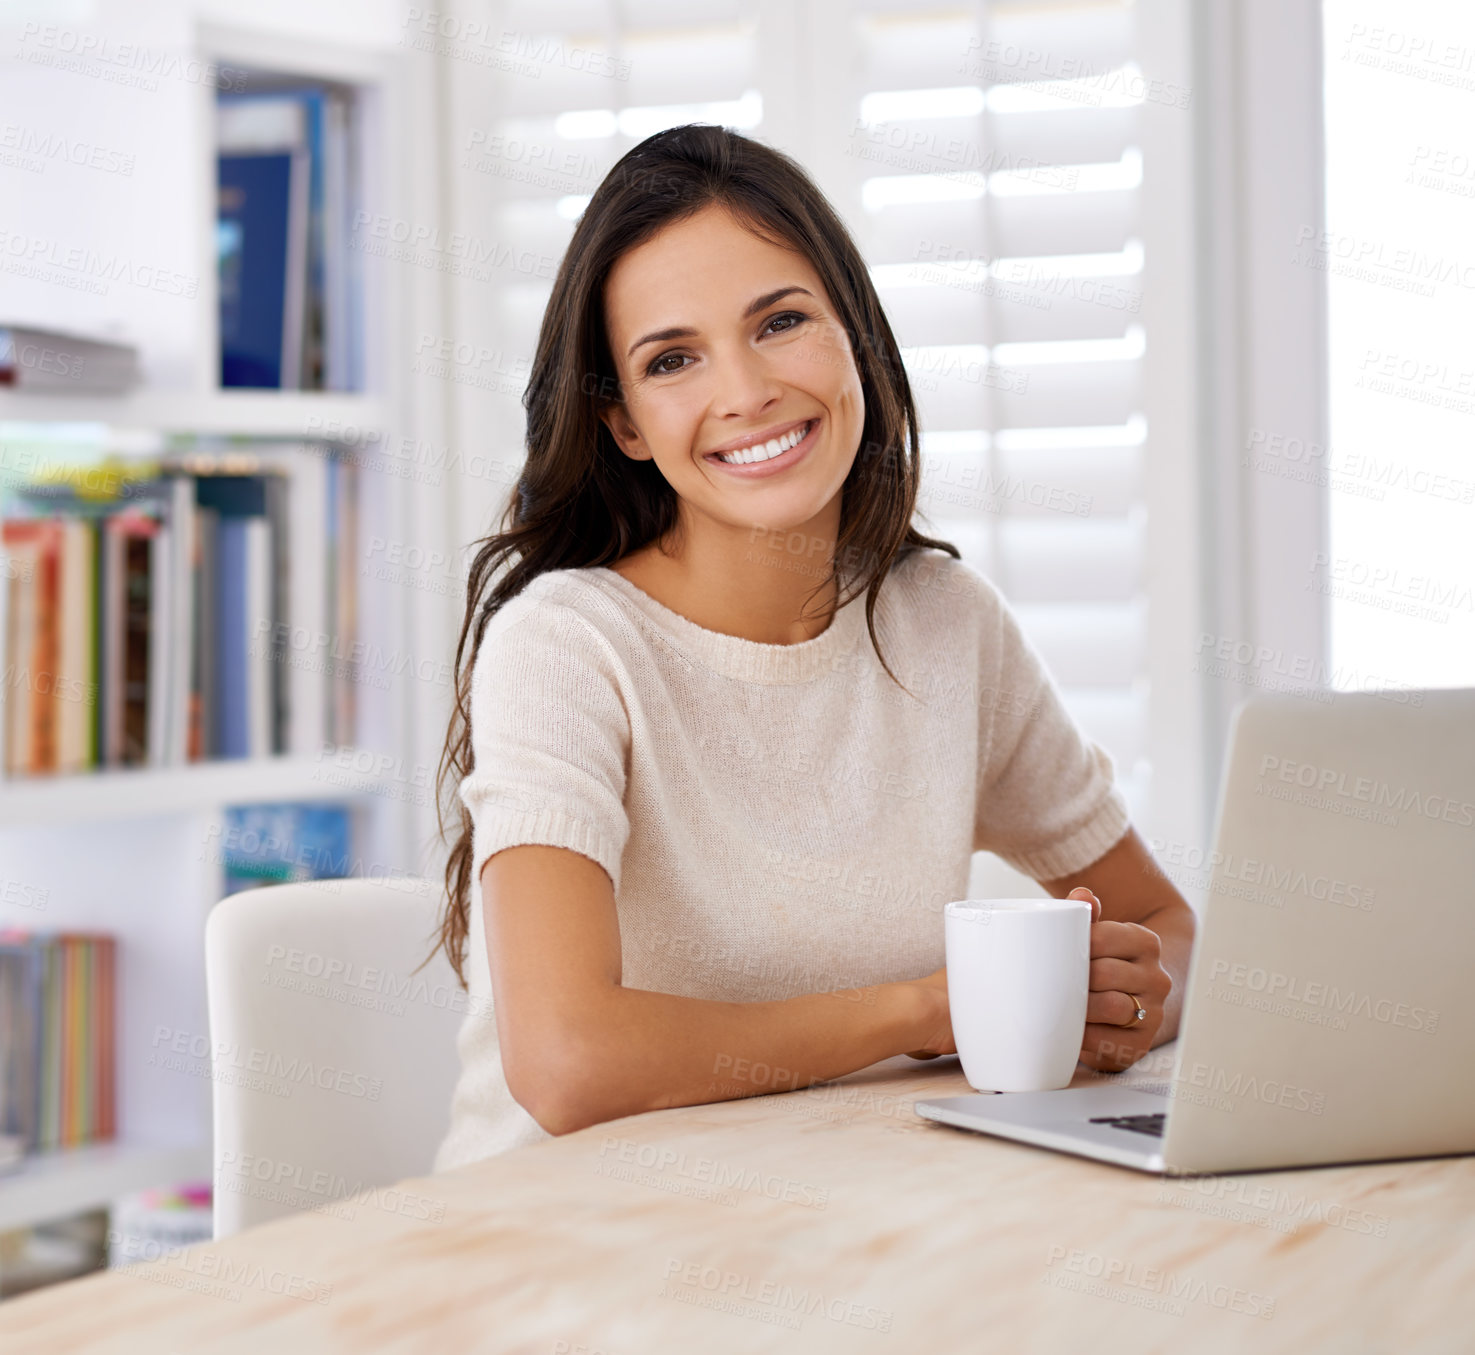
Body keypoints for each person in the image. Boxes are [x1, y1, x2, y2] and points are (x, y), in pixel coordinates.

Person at [429, 124, 1194, 1170]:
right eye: (672, 359)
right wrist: (920, 1010)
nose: (744, 392)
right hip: (571, 1248)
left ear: (856, 340)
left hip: (851, 1212)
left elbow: (1164, 922)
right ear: (625, 425)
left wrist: (1134, 997)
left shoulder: (945, 624)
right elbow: (567, 1060)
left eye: (779, 321)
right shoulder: (565, 646)